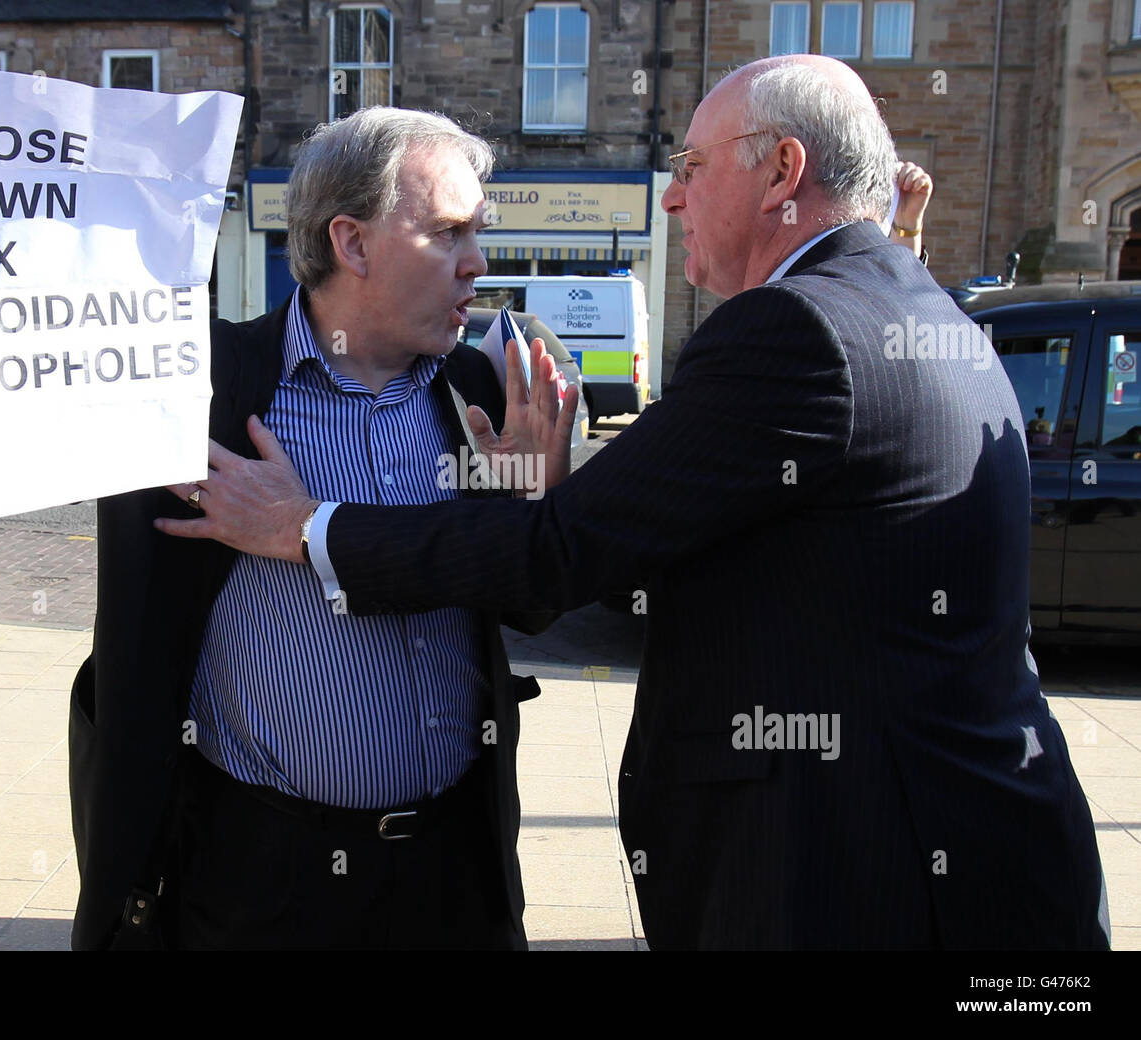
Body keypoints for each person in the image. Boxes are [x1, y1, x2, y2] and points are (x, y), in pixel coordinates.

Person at [230, 55, 1111, 950]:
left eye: (690, 169)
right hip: (974, 862)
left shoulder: (797, 327)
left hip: (871, 877)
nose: (671, 199)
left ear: (781, 173)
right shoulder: (910, 303)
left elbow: (560, 551)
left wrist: (309, 528)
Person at [0, 97, 576, 950]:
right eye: (450, 234)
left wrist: (537, 506)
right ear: (350, 242)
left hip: (455, 872)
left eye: (476, 232)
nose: (478, 262)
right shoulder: (195, 383)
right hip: (256, 879)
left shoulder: (484, 390)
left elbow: (533, 606)